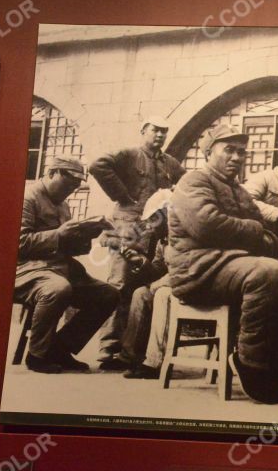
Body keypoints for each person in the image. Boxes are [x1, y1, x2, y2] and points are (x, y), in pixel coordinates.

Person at [167, 124, 278, 404]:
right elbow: (206, 225)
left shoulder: (239, 190)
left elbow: (264, 230)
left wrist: (267, 240)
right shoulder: (194, 181)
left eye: (241, 153)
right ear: (209, 153)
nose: (237, 157)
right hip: (199, 269)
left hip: (233, 265)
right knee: (268, 272)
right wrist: (256, 232)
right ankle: (249, 359)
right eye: (229, 150)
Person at [89, 116, 186, 370]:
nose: (160, 136)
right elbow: (98, 165)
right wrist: (123, 195)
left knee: (141, 287)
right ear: (143, 130)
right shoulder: (129, 154)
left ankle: (132, 350)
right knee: (119, 285)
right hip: (127, 228)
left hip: (154, 231)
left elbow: (188, 185)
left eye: (164, 132)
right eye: (155, 130)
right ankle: (108, 349)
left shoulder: (170, 164)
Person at [14, 156, 119, 374]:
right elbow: (17, 244)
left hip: (58, 267)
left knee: (108, 295)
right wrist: (59, 234)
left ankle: (60, 349)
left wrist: (88, 234)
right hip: (24, 268)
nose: (70, 191)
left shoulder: (62, 204)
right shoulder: (26, 198)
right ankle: (37, 355)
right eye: (68, 185)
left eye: (74, 187)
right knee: (57, 289)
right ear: (52, 173)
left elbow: (68, 248)